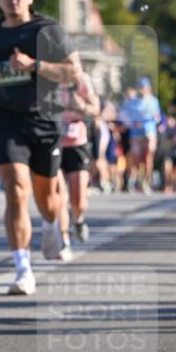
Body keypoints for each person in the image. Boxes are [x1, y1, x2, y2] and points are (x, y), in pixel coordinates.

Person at [0, 0, 81, 296]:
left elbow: (72, 70)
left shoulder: (47, 30)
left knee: (47, 198)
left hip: (45, 118)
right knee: (16, 189)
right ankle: (22, 269)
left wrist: (34, 65)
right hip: (5, 120)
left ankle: (50, 225)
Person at [57, 71, 100, 241]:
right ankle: (63, 238)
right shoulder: (45, 77)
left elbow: (95, 108)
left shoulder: (81, 79)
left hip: (77, 142)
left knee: (79, 199)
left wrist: (82, 106)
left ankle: (78, 219)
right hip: (53, 141)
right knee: (59, 195)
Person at [119, 78, 162, 192]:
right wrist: (132, 123)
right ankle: (137, 177)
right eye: (140, 87)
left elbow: (157, 117)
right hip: (135, 133)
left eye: (144, 87)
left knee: (148, 156)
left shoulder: (153, 101)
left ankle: (146, 181)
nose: (142, 90)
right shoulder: (132, 102)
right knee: (136, 157)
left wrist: (150, 120)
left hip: (149, 131)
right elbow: (124, 116)